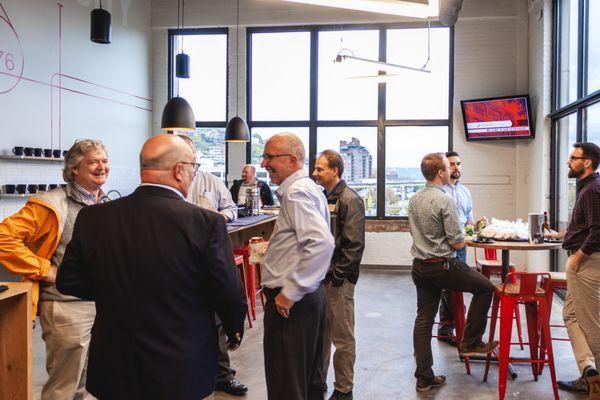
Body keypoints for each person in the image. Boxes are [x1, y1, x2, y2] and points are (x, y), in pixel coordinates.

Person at [55, 134, 247, 400]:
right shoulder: (205, 223)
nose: (193, 174)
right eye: (194, 167)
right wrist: (234, 328)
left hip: (115, 362)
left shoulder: (94, 217)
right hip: (180, 363)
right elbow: (226, 289)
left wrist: (115, 291)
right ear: (179, 170)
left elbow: (69, 281)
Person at [0, 139, 109, 400]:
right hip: (65, 307)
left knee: (91, 384)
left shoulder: (104, 204)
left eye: (104, 161)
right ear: (74, 169)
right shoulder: (50, 204)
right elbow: (4, 237)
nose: (101, 167)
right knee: (63, 386)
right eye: (93, 161)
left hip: (101, 305)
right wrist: (46, 270)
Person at [408, 152, 497, 393]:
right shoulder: (444, 199)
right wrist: (466, 235)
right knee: (486, 287)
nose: (452, 170)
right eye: (448, 166)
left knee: (424, 318)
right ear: (440, 173)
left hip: (420, 266)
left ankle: (424, 377)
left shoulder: (414, 198)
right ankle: (470, 342)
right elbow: (457, 243)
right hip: (443, 265)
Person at [261, 133, 335, 400]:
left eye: (269, 157)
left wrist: (290, 292)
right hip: (308, 300)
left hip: (292, 306)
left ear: (291, 159)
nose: (263, 163)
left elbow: (321, 242)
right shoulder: (306, 188)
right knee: (308, 384)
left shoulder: (296, 192)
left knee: (286, 387)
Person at [177, 134, 247, 396]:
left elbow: (231, 210)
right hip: (178, 263)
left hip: (208, 260)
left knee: (216, 320)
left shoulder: (211, 182)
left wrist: (218, 217)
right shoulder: (165, 186)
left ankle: (223, 375)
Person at [545, 142, 600, 398]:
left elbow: (598, 231)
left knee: (590, 323)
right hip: (584, 260)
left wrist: (577, 257)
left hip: (587, 263)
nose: (568, 161)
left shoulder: (592, 190)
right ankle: (588, 371)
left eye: (573, 157)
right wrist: (561, 235)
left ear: (587, 162)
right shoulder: (586, 188)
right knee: (571, 315)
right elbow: (585, 225)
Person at [312, 150, 365, 400]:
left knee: (342, 338)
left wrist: (338, 276)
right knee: (320, 335)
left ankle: (344, 389)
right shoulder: (322, 197)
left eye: (320, 169)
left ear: (335, 170)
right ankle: (317, 382)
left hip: (337, 281)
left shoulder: (350, 199)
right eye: (315, 168)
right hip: (320, 278)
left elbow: (354, 245)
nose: (315, 173)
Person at [437, 151, 475, 346]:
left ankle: (448, 327)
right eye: (452, 164)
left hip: (462, 244)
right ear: (443, 168)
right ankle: (451, 326)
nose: (456, 167)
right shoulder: (440, 192)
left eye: (458, 164)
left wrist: (473, 225)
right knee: (448, 286)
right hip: (446, 244)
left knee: (455, 286)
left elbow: (469, 216)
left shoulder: (465, 191)